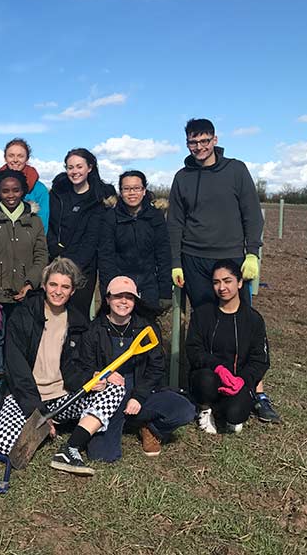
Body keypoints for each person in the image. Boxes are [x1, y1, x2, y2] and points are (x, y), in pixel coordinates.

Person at [168, 118, 279, 423]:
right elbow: (175, 222)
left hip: (230, 257)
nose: (199, 147)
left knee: (241, 322)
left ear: (215, 139)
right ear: (187, 143)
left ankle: (256, 392)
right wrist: (176, 262)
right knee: (203, 323)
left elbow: (252, 214)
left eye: (204, 141)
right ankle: (204, 389)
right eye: (193, 142)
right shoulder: (183, 177)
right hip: (193, 258)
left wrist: (253, 253)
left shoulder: (236, 170)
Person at [0, 258, 125, 476]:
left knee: (114, 387)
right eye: (53, 285)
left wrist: (93, 376)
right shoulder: (23, 315)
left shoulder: (78, 321)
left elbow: (75, 366)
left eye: (65, 287)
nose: (58, 291)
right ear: (44, 285)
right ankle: (45, 425)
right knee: (4, 447)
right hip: (26, 396)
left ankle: (70, 446)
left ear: (72, 291)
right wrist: (38, 413)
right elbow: (17, 372)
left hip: (63, 397)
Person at [76, 276, 195, 462]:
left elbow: (157, 366)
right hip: (108, 402)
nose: (123, 301)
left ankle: (149, 427)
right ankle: (118, 426)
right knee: (102, 457)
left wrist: (139, 396)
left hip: (141, 397)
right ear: (108, 299)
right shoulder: (94, 330)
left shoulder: (145, 328)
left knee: (185, 410)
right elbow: (85, 367)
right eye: (118, 296)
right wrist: (103, 376)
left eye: (129, 297)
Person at [0, 168, 48, 393]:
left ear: (23, 191)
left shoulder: (33, 221)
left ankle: (20, 385)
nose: (11, 195)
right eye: (5, 191)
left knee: (21, 341)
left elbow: (41, 255)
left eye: (16, 190)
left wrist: (30, 283)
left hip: (24, 294)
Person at [185, 259, 270, 434]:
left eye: (227, 281)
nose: (222, 287)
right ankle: (206, 407)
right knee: (205, 381)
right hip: (210, 377)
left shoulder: (253, 319)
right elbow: (193, 349)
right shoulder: (202, 315)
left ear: (239, 283)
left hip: (238, 381)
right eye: (216, 282)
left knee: (235, 415)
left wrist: (243, 380)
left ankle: (226, 410)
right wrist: (217, 367)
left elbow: (260, 359)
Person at [47, 148, 116, 316]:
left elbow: (92, 238)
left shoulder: (98, 198)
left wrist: (72, 267)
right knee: (54, 315)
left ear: (90, 168)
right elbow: (52, 227)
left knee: (78, 316)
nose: (74, 171)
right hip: (56, 263)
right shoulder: (58, 194)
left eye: (79, 166)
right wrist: (55, 254)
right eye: (70, 167)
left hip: (83, 268)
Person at [99, 170, 171, 308]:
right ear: (120, 192)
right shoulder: (110, 218)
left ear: (144, 190)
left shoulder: (155, 217)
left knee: (147, 326)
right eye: (126, 189)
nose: (132, 193)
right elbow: (106, 257)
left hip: (150, 284)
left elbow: (163, 254)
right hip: (120, 283)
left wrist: (165, 291)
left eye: (137, 188)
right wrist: (111, 290)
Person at [0, 138, 50, 230]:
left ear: (27, 158)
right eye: (11, 156)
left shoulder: (39, 189)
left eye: (20, 156)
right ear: (5, 158)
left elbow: (42, 224)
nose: (15, 160)